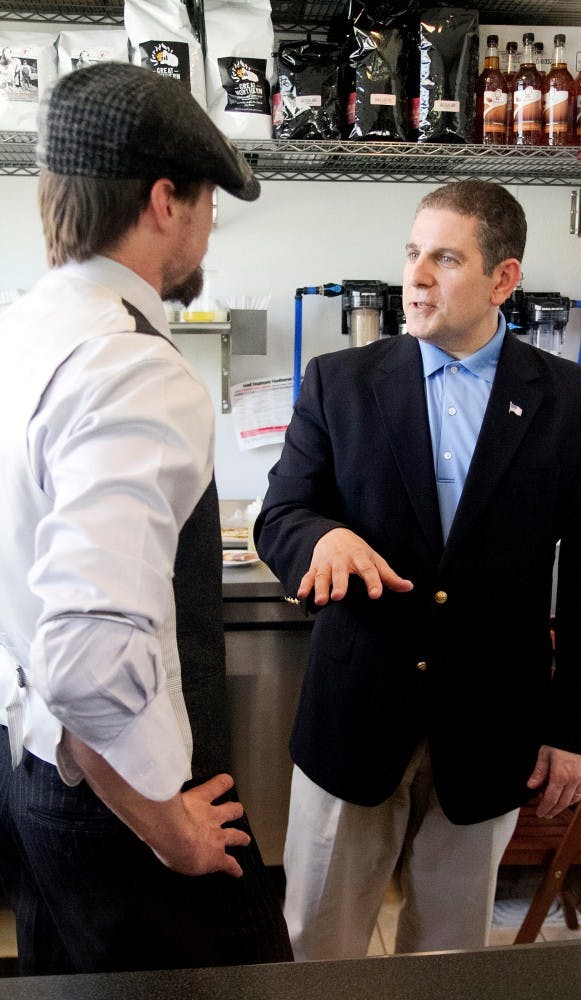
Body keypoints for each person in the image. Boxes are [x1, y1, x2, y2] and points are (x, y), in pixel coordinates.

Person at [255, 180, 581, 960]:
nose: (416, 277)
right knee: (317, 945)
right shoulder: (339, 382)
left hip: (492, 722)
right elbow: (281, 514)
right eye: (411, 254)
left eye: (445, 258)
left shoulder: (580, 403)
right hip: (354, 710)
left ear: (502, 278)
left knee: (451, 957)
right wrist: (319, 540)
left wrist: (577, 732)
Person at [0, 62, 292, 975]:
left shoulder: (21, 332)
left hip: (30, 770)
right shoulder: (132, 365)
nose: (209, 227)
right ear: (165, 200)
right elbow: (88, 654)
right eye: (209, 202)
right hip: (124, 807)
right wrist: (168, 827)